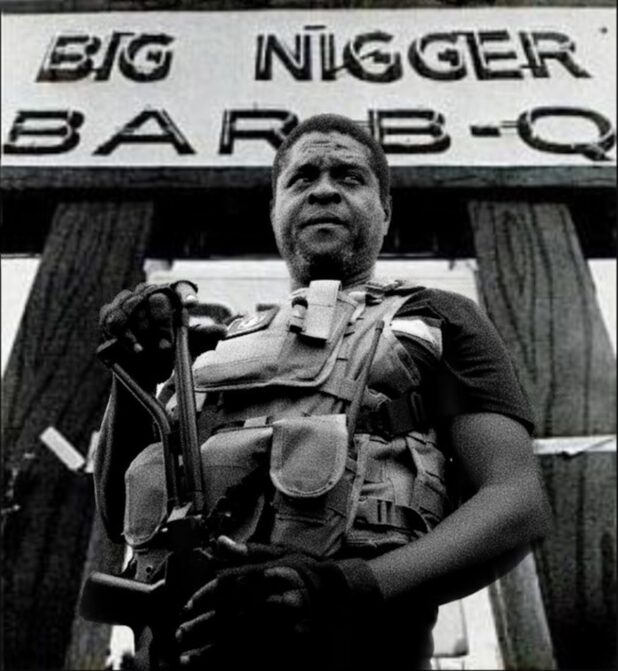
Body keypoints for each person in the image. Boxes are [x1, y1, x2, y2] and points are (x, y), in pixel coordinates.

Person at [94, 114, 552, 670]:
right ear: (276, 209)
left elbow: (515, 504)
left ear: (385, 211)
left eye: (350, 177)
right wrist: (133, 377)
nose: (325, 190)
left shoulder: (435, 317)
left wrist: (345, 588)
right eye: (303, 177)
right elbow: (125, 518)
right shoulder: (208, 349)